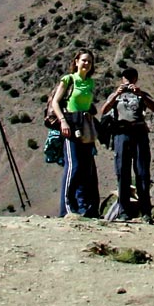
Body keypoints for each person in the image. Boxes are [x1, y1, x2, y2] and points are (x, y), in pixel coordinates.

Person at [99, 67, 154, 222]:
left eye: (131, 78)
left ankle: (146, 211)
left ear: (136, 79)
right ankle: (123, 210)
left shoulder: (141, 94)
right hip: (121, 134)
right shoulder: (116, 95)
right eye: (125, 78)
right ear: (122, 79)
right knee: (122, 172)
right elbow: (104, 110)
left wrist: (140, 94)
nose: (128, 80)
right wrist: (116, 95)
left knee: (142, 173)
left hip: (139, 133)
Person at [49, 49, 101, 218]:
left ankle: (85, 207)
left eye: (89, 61)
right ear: (77, 61)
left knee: (87, 167)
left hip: (85, 127)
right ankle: (67, 209)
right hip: (71, 126)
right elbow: (56, 102)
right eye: (84, 60)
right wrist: (63, 121)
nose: (86, 64)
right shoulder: (69, 79)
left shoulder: (91, 83)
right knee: (74, 166)